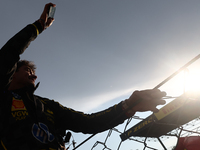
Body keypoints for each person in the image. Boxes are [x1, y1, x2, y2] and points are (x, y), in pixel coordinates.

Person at [0, 3, 166, 150]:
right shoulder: (4, 97)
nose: (34, 75)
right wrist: (38, 26)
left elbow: (88, 122)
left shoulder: (46, 105)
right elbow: (8, 55)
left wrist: (128, 106)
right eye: (27, 70)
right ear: (12, 72)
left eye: (34, 72)